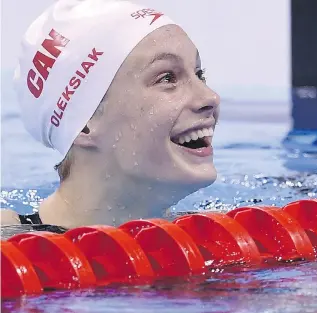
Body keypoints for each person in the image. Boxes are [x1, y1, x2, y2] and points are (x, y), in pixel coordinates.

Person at [1, 0, 220, 229]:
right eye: (167, 78)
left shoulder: (220, 235)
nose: (210, 97)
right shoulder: (9, 246)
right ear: (84, 123)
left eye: (199, 74)